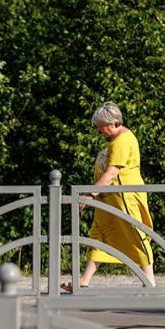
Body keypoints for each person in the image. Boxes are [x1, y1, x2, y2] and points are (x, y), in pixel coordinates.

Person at [61, 102, 155, 291]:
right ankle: (83, 280)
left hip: (124, 197)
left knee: (134, 234)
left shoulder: (122, 141)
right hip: (110, 197)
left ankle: (150, 281)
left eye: (101, 126)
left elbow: (112, 173)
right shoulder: (116, 139)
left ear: (113, 123)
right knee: (99, 234)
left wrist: (90, 194)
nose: (99, 130)